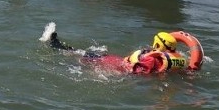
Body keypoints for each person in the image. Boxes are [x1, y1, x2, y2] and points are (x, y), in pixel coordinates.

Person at [40, 23, 203, 74]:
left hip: (116, 66)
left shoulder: (153, 58)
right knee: (93, 54)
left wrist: (136, 62)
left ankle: (57, 47)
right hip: (118, 64)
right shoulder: (178, 58)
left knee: (84, 56)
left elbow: (137, 70)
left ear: (158, 44)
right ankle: (63, 48)